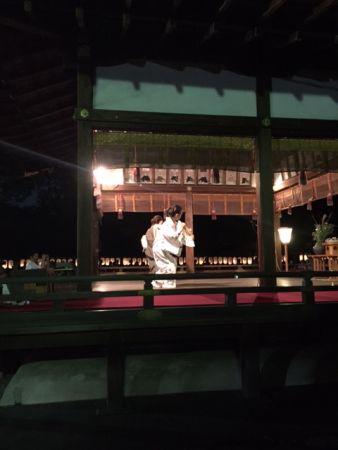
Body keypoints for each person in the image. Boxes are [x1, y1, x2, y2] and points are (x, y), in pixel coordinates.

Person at [152, 204, 194, 288]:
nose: (180, 217)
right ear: (177, 215)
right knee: (170, 265)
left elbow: (178, 236)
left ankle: (157, 282)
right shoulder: (167, 224)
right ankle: (168, 285)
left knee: (166, 265)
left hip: (162, 249)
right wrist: (181, 228)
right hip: (160, 249)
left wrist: (188, 237)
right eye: (180, 214)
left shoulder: (174, 224)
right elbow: (173, 236)